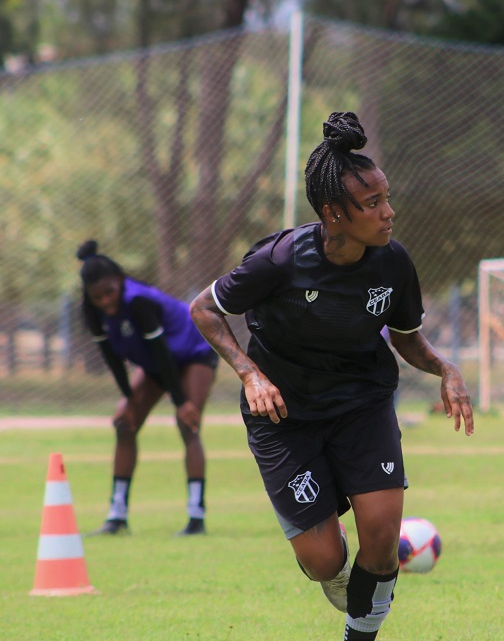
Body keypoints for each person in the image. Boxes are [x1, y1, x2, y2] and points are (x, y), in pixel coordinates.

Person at [189, 111, 474, 641]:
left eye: (387, 199)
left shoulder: (393, 263)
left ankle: (358, 634)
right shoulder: (279, 260)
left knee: (385, 538)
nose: (388, 213)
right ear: (334, 214)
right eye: (372, 204)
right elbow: (204, 309)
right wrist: (250, 374)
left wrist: (445, 368)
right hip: (284, 416)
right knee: (323, 562)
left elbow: (407, 337)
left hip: (361, 404)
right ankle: (334, 546)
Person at [77, 240, 217, 537]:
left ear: (120, 281)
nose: (104, 301)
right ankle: (117, 515)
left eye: (109, 293)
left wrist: (181, 401)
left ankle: (196, 517)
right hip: (156, 363)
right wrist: (128, 399)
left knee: (187, 424)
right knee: (123, 425)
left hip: (192, 353)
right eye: (97, 297)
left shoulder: (139, 301)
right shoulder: (92, 311)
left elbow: (162, 352)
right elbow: (112, 358)